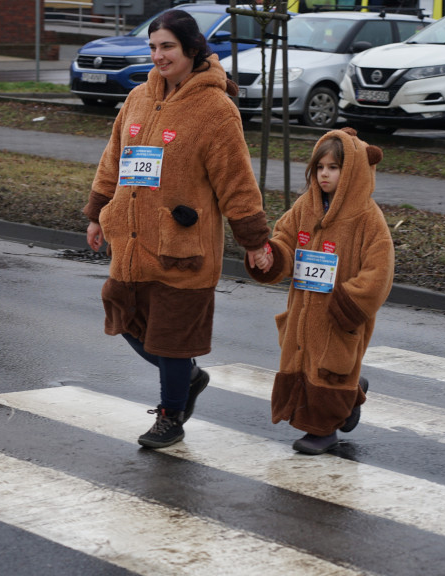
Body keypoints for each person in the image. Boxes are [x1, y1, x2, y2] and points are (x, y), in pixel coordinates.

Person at [83, 9, 272, 449]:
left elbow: (236, 181)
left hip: (182, 245)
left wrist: (255, 241)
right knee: (123, 313)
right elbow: (113, 161)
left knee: (170, 338)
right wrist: (97, 214)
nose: (158, 55)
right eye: (152, 47)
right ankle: (188, 376)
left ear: (191, 48)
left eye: (167, 46)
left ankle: (170, 416)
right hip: (131, 239)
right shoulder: (137, 99)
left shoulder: (215, 108)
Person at [245, 128, 394, 455]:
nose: (325, 174)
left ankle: (323, 431)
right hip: (303, 309)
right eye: (320, 167)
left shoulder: (367, 217)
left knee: (331, 368)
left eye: (334, 167)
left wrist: (350, 302)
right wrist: (270, 256)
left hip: (338, 313)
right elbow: (284, 237)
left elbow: (380, 269)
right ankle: (349, 398)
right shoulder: (305, 207)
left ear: (351, 171)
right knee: (304, 364)